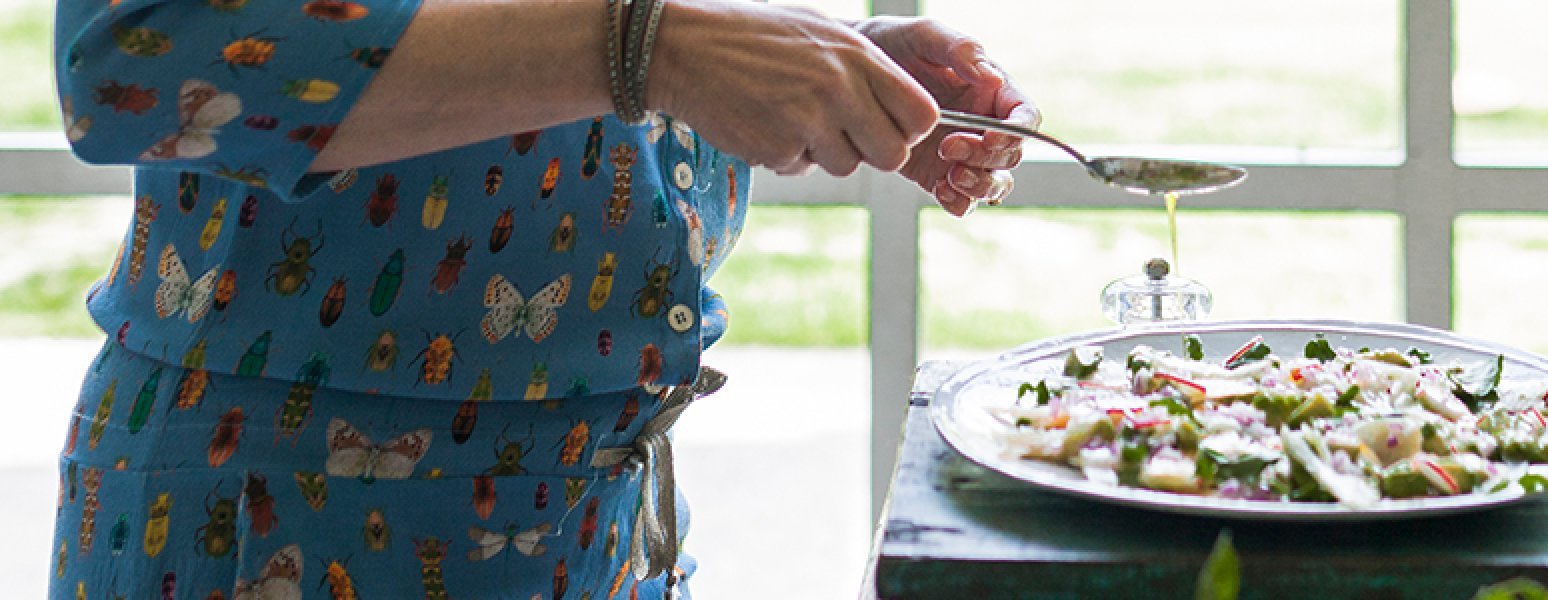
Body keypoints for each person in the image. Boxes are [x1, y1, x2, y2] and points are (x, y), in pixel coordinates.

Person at [46, 0, 1036, 597]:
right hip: (285, 522)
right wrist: (661, 48)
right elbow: (133, 53)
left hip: (606, 526)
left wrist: (812, 58)